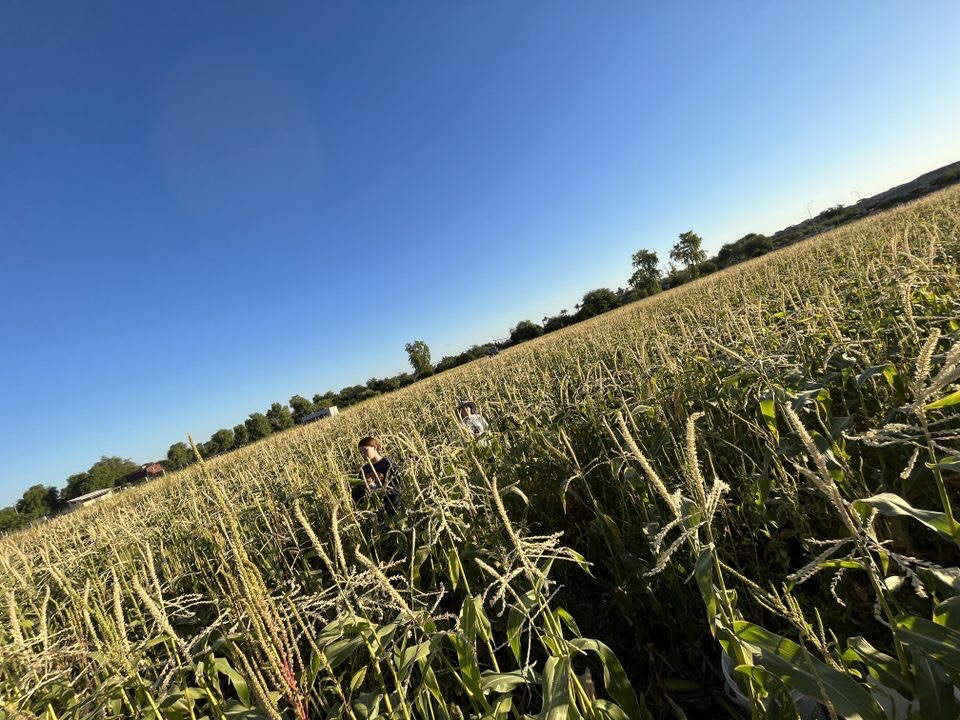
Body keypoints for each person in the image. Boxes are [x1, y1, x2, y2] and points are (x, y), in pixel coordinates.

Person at [354, 436, 401, 514]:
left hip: (392, 508)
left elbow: (398, 486)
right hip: (376, 512)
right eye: (361, 452)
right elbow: (361, 492)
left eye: (365, 450)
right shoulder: (364, 469)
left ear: (375, 447)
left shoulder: (388, 464)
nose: (363, 454)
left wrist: (380, 489)